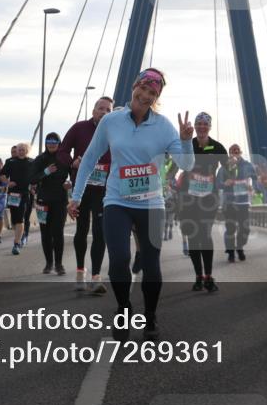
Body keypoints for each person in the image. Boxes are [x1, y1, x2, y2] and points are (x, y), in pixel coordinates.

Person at [68, 68, 194, 342]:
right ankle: (123, 308)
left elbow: (186, 164)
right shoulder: (112, 121)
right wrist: (76, 196)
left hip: (151, 203)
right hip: (116, 200)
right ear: (134, 86)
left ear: (157, 96)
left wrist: (186, 141)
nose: (146, 96)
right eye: (143, 89)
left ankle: (150, 317)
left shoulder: (164, 126)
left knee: (150, 263)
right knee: (120, 260)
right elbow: (89, 159)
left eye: (153, 93)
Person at [57, 96, 113, 293]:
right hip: (81, 189)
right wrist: (72, 162)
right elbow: (62, 152)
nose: (104, 112)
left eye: (108, 110)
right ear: (93, 111)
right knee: (82, 230)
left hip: (104, 190)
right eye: (100, 108)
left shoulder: (114, 131)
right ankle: (80, 271)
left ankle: (96, 277)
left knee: (100, 232)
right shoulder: (79, 128)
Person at [177, 113, 227, 292]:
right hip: (188, 199)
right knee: (192, 236)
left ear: (210, 126)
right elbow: (174, 164)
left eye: (205, 124)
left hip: (208, 199)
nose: (202, 126)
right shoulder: (187, 144)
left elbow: (228, 169)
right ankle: (198, 275)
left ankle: (209, 276)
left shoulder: (218, 147)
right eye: (199, 123)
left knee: (205, 235)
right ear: (195, 126)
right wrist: (169, 178)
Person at [31, 132, 69, 275]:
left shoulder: (65, 158)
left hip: (60, 200)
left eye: (54, 141)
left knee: (58, 232)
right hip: (43, 200)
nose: (51, 144)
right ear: (46, 143)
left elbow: (74, 173)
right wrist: (46, 172)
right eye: (49, 141)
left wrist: (70, 182)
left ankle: (59, 264)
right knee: (45, 233)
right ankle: (49, 263)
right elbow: (32, 179)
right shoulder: (40, 159)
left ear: (59, 143)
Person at [216, 144, 258, 262]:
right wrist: (225, 183)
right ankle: (230, 252)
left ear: (240, 152)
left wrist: (253, 188)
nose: (235, 152)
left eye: (237, 150)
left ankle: (239, 246)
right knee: (230, 229)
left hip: (243, 202)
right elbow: (217, 184)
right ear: (230, 153)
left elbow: (255, 180)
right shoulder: (224, 167)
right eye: (232, 150)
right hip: (229, 203)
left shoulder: (247, 165)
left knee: (245, 229)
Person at [5, 143, 32, 254]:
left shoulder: (32, 162)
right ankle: (20, 237)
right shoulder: (10, 162)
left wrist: (34, 185)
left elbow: (37, 175)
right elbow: (2, 174)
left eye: (23, 149)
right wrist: (7, 182)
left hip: (24, 194)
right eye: (19, 149)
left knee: (20, 219)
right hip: (13, 195)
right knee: (15, 220)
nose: (20, 151)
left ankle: (16, 243)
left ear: (27, 151)